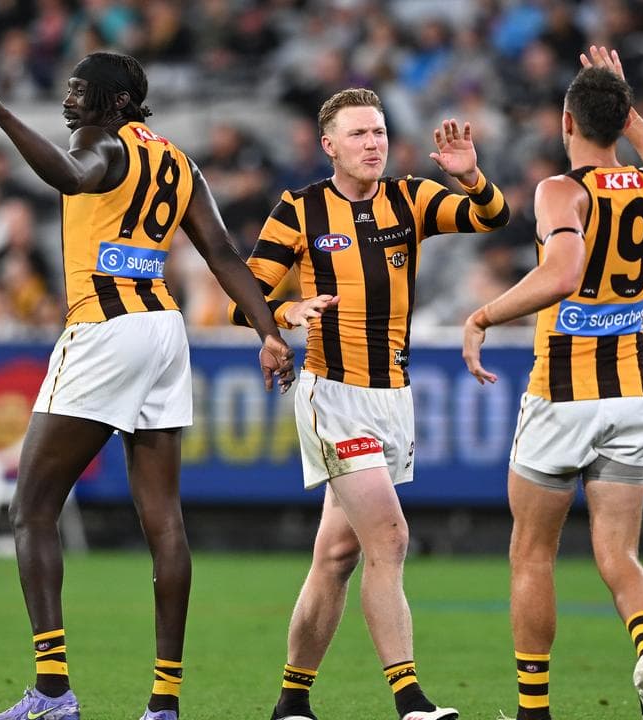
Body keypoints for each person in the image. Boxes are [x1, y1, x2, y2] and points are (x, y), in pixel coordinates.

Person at [0, 52, 296, 720]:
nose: (68, 103)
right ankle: (163, 703)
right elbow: (222, 252)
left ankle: (53, 693)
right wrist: (268, 330)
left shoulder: (98, 143)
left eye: (79, 92)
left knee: (33, 509)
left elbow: (71, 175)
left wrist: (1, 115)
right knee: (164, 520)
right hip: (164, 331)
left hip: (106, 330)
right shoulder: (178, 161)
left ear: (113, 102)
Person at [230, 87, 510, 720]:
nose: (373, 143)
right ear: (329, 146)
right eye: (358, 134)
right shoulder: (299, 209)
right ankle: (410, 700)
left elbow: (492, 218)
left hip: (392, 398)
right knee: (390, 535)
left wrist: (473, 179)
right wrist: (283, 312)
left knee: (335, 556)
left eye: (379, 132)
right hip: (332, 397)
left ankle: (291, 703)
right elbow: (239, 295)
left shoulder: (410, 198)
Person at [461, 47, 643, 720]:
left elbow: (562, 273)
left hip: (562, 394)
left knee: (532, 553)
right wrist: (629, 111)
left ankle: (534, 711)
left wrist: (482, 314)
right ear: (620, 122)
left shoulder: (562, 191)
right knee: (619, 552)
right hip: (630, 395)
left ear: (567, 121)